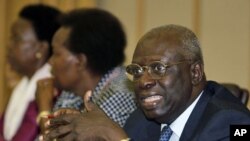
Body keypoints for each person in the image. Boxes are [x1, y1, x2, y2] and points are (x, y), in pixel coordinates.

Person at [42, 24, 250, 141]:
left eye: (158, 68)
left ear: (195, 73)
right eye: (137, 71)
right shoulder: (140, 121)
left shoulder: (233, 124)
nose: (143, 81)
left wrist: (115, 137)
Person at [37, 8, 137, 130]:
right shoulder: (73, 92)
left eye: (56, 54)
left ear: (80, 61)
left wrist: (44, 109)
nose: (50, 61)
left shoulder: (120, 98)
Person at [0, 4, 61, 141]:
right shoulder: (22, 86)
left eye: (16, 38)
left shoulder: (53, 92)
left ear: (40, 48)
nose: (8, 45)